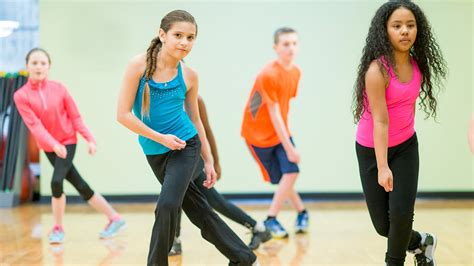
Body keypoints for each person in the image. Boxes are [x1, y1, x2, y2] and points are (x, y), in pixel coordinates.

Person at [116, 10, 257, 266]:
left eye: (190, 37)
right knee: (197, 209)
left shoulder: (190, 75)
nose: (184, 42)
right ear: (162, 35)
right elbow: (123, 115)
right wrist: (161, 138)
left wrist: (209, 159)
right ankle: (244, 258)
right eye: (178, 35)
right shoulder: (137, 66)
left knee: (167, 205)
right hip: (156, 151)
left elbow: (195, 119)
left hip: (185, 146)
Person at [352, 1, 447, 265]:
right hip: (372, 150)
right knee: (385, 226)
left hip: (405, 146)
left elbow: (409, 106)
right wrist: (383, 167)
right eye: (397, 26)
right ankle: (421, 243)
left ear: (418, 30)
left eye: (410, 25)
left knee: (402, 215)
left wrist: (405, 143)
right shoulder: (377, 71)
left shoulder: (417, 66)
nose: (404, 31)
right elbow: (380, 121)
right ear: (385, 31)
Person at [14, 48, 126, 244]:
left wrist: (89, 139)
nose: (38, 66)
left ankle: (58, 228)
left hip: (68, 141)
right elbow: (35, 126)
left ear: (49, 66)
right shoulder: (21, 96)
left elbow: (75, 117)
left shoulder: (59, 88)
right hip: (50, 146)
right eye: (34, 63)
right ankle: (115, 218)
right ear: (27, 66)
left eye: (43, 63)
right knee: (80, 185)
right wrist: (53, 144)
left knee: (56, 182)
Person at [169, 96, 271, 256]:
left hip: (191, 159)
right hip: (176, 159)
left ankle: (175, 241)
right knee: (213, 201)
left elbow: (206, 130)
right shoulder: (163, 98)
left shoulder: (196, 100)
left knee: (176, 197)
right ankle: (258, 228)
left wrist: (215, 161)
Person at [241, 27, 308, 239]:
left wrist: (288, 143)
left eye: (294, 43)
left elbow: (283, 109)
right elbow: (274, 113)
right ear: (276, 48)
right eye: (286, 44)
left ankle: (272, 218)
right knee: (283, 178)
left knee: (290, 173)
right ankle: (302, 212)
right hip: (257, 137)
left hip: (279, 132)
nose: (291, 48)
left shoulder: (296, 72)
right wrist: (290, 147)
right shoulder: (268, 75)